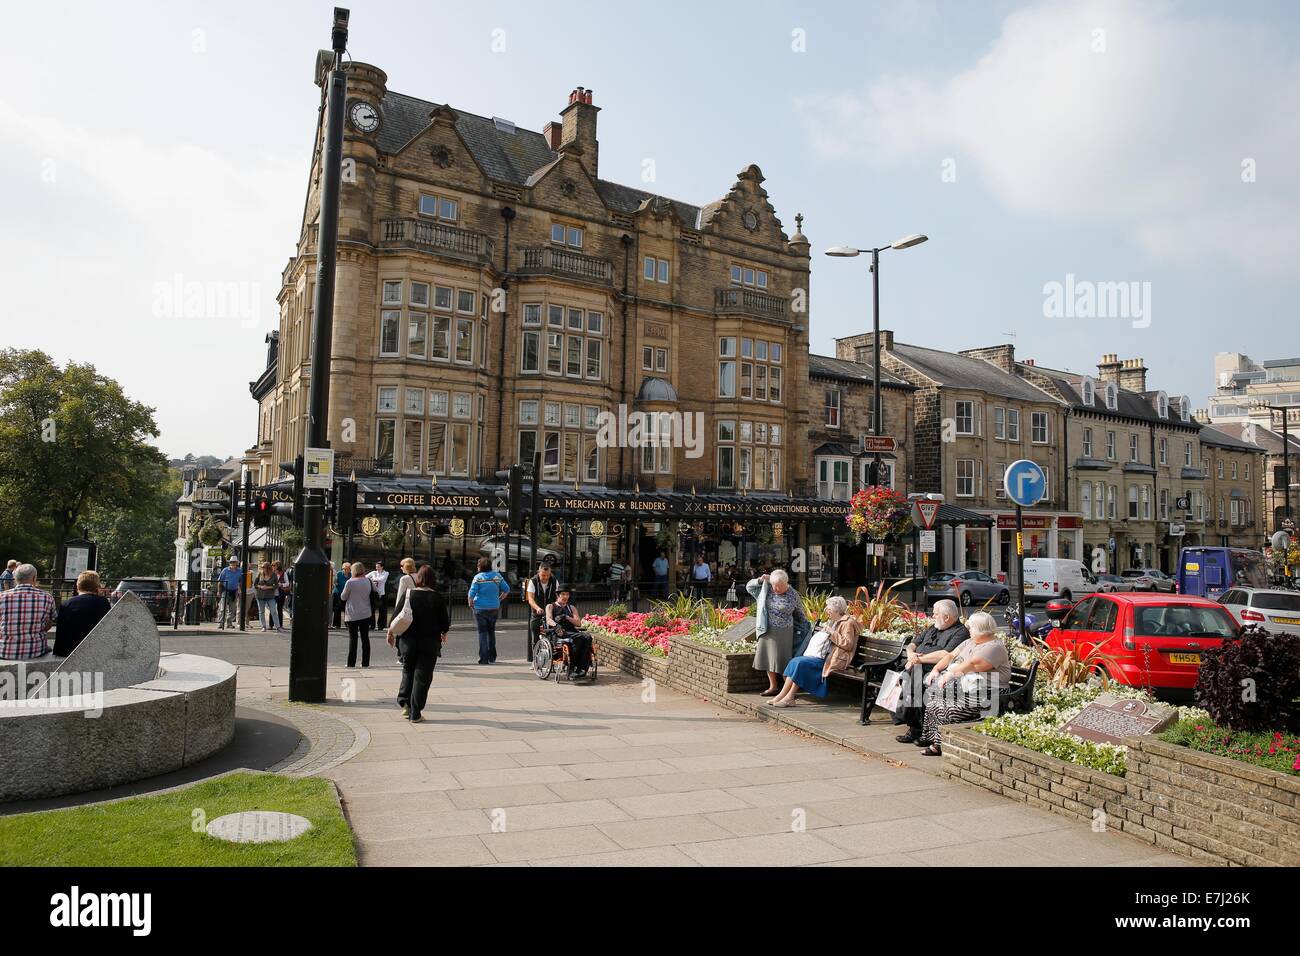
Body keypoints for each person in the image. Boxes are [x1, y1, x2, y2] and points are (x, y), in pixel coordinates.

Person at [916, 611, 1011, 757]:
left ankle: (940, 745)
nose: (969, 630)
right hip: (970, 689)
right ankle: (932, 739)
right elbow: (950, 655)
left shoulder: (994, 647)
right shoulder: (970, 642)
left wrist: (949, 674)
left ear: (981, 630)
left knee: (948, 709)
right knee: (933, 702)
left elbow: (973, 665)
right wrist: (936, 669)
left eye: (971, 627)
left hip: (990, 694)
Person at [892, 599, 970, 743]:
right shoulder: (933, 628)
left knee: (914, 678)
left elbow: (945, 655)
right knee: (909, 676)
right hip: (916, 667)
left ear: (946, 617)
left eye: (935, 614)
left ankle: (918, 729)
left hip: (938, 671)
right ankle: (915, 727)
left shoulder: (961, 632)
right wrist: (911, 655)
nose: (933, 616)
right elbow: (913, 644)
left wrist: (918, 660)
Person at [767, 595, 862, 707]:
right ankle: (784, 696)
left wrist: (831, 632)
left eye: (829, 609)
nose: (827, 611)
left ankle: (789, 697)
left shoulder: (848, 623)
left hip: (834, 660)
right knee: (795, 661)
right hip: (825, 656)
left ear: (836, 610)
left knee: (801, 663)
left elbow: (848, 645)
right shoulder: (835, 621)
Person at [388, 565, 449, 723]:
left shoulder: (409, 594)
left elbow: (395, 617)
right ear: (433, 579)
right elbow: (445, 623)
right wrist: (442, 631)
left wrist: (391, 633)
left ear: (419, 578)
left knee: (408, 671)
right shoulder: (437, 597)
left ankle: (405, 703)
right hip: (429, 642)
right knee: (422, 676)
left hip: (408, 642)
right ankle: (416, 712)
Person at [747, 569, 809, 696]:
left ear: (786, 583)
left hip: (785, 630)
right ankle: (773, 687)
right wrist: (760, 579)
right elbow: (749, 587)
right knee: (769, 659)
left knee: (783, 660)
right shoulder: (766, 589)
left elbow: (800, 614)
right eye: (774, 585)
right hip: (767, 629)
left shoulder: (793, 594)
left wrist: (805, 627)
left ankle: (788, 690)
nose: (775, 589)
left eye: (779, 586)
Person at [0, 564, 56, 660]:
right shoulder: (47, 597)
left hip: (5, 651)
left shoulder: (2, 596)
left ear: (15, 578)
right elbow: (49, 624)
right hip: (36, 650)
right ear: (34, 578)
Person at [52, 570, 112, 657]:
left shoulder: (67, 604)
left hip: (68, 651)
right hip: (94, 651)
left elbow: (61, 630)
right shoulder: (103, 603)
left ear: (78, 586)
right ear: (97, 586)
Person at [468, 556, 510, 665]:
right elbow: (506, 589)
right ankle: (492, 657)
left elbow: (471, 593)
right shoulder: (497, 576)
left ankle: (484, 658)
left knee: (482, 633)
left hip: (480, 608)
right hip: (494, 608)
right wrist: (499, 599)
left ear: (480, 566)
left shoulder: (478, 578)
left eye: (478, 565)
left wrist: (471, 603)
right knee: (491, 632)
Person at [546, 584, 592, 677]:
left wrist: (567, 617)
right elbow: (548, 619)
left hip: (571, 631)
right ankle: (573, 668)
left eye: (567, 594)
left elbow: (578, 623)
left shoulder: (572, 608)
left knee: (587, 637)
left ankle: (581, 668)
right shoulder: (551, 606)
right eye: (563, 594)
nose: (565, 597)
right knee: (580, 638)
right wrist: (556, 625)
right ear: (558, 595)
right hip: (560, 632)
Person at [341, 561, 373, 667]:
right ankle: (365, 662)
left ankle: (351, 663)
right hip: (366, 613)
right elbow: (376, 591)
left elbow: (343, 597)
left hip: (352, 614)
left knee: (353, 639)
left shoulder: (350, 582)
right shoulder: (368, 581)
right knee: (365, 638)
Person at [525, 561, 558, 659]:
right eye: (543, 575)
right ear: (538, 572)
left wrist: (554, 606)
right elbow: (530, 599)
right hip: (537, 613)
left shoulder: (554, 581)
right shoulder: (533, 581)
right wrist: (537, 608)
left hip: (550, 613)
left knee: (552, 635)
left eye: (548, 575)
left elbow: (557, 597)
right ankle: (536, 660)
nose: (545, 578)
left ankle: (551, 659)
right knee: (535, 635)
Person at [253, 561, 282, 632]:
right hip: (260, 596)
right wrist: (260, 586)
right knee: (261, 611)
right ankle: (263, 626)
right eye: (262, 567)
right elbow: (255, 584)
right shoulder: (260, 574)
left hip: (270, 596)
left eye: (265, 567)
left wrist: (268, 587)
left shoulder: (273, 575)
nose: (263, 569)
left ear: (268, 568)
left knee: (273, 611)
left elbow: (276, 585)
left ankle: (278, 627)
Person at [216, 557, 242, 629]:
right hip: (225, 590)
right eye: (231, 562)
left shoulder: (240, 571)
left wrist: (240, 590)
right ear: (229, 563)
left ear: (237, 563)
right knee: (222, 608)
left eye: (234, 562)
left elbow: (241, 581)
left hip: (234, 591)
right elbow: (220, 581)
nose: (233, 563)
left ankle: (229, 623)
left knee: (232, 609)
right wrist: (219, 591)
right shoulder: (225, 570)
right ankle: (221, 623)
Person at [367, 560, 390, 629]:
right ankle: (372, 625)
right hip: (374, 593)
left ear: (382, 567)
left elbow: (382, 580)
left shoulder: (386, 573)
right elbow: (365, 577)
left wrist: (373, 579)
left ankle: (381, 625)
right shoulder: (373, 572)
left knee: (382, 610)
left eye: (378, 567)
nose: (377, 568)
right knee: (372, 610)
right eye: (376, 566)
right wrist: (373, 579)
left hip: (381, 593)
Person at [273, 560, 290, 625]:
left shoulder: (284, 573)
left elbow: (287, 583)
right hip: (273, 593)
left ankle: (280, 624)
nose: (273, 567)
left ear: (278, 566)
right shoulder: (272, 573)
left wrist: (281, 584)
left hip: (281, 593)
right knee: (272, 609)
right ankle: (271, 625)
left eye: (274, 565)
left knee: (279, 609)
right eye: (272, 565)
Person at [332, 562, 348, 629]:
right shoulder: (339, 573)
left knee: (347, 610)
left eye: (347, 569)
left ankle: (347, 624)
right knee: (337, 609)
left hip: (347, 594)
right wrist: (336, 583)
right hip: (338, 593)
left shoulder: (350, 574)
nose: (346, 570)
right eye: (344, 569)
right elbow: (335, 581)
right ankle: (336, 624)